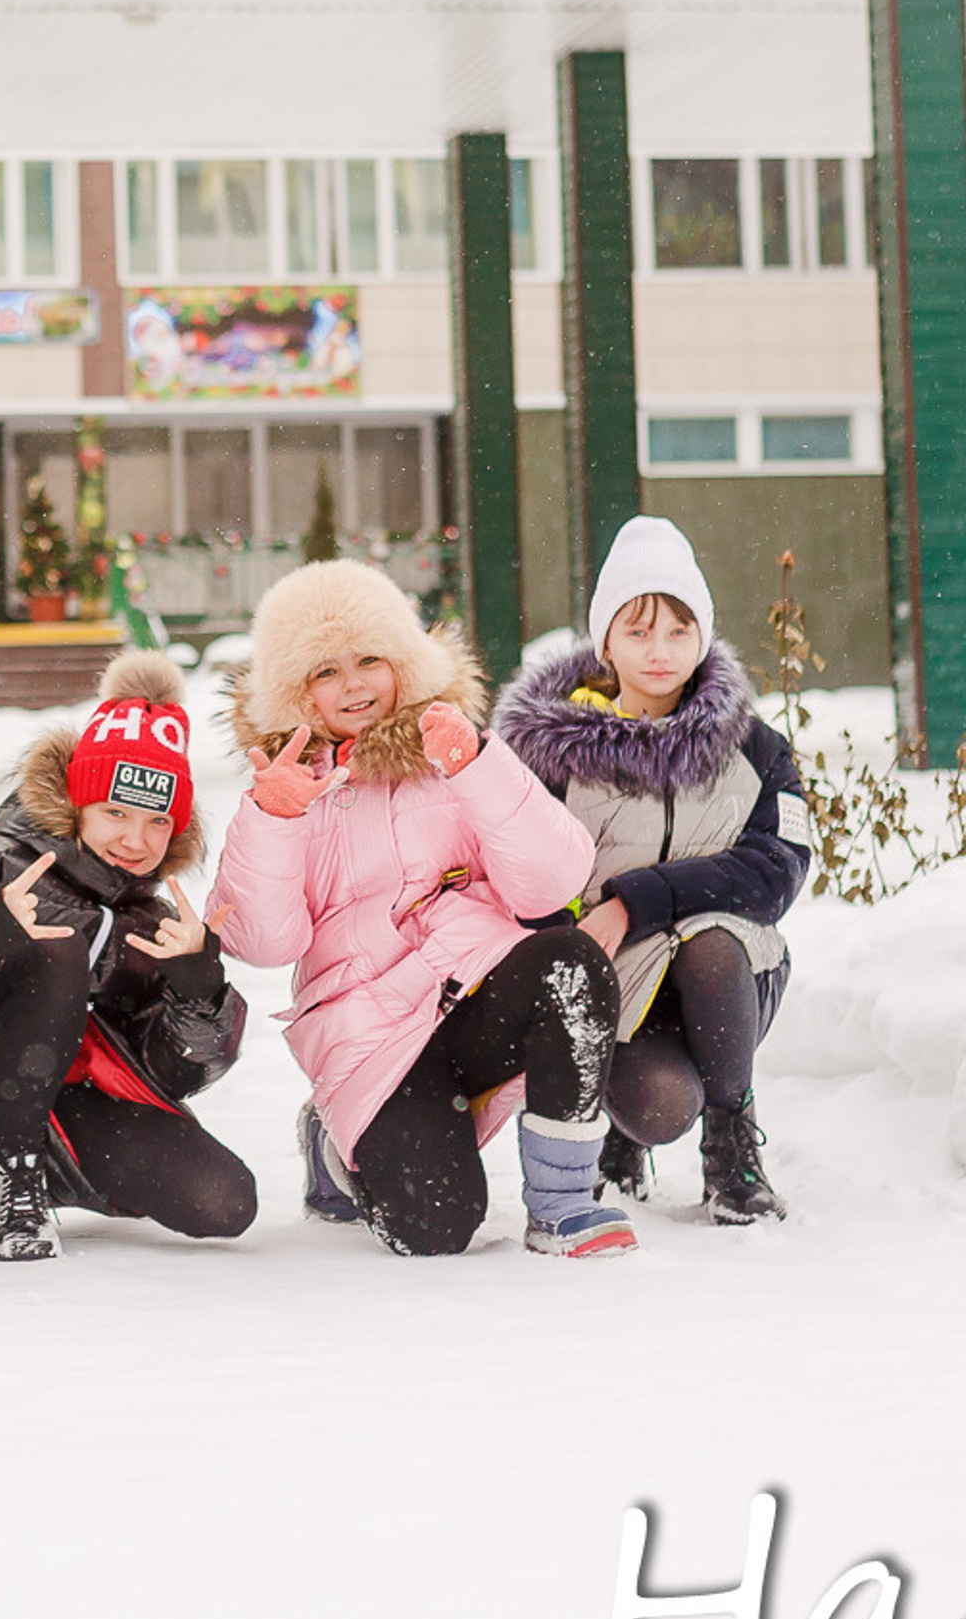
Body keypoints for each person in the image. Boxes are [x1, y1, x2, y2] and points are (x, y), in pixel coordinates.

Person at [208, 560, 633, 1260]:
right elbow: (265, 942)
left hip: (475, 991)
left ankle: (563, 1204)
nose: (354, 685)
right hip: (369, 1036)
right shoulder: (289, 785)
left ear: (403, 661)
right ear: (295, 692)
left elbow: (552, 882)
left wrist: (477, 766)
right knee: (434, 1229)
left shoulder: (451, 747)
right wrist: (271, 817)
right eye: (325, 671)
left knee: (572, 963)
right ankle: (337, 1144)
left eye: (370, 659)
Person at [0, 649, 255, 1263]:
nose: (135, 840)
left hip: (61, 1105)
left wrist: (199, 989)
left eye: (158, 821)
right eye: (114, 812)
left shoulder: (152, 919)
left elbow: (177, 1073)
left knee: (226, 1201)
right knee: (57, 949)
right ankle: (14, 1180)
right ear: (75, 804)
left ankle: (43, 1168)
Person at [492, 517, 808, 1225]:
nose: (660, 652)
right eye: (638, 632)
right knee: (661, 1108)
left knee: (713, 941)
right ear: (605, 641)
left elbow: (776, 871)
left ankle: (733, 1159)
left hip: (731, 979)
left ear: (704, 635)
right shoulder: (553, 753)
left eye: (677, 631)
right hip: (615, 985)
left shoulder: (754, 747)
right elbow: (522, 880)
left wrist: (636, 900)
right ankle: (618, 1133)